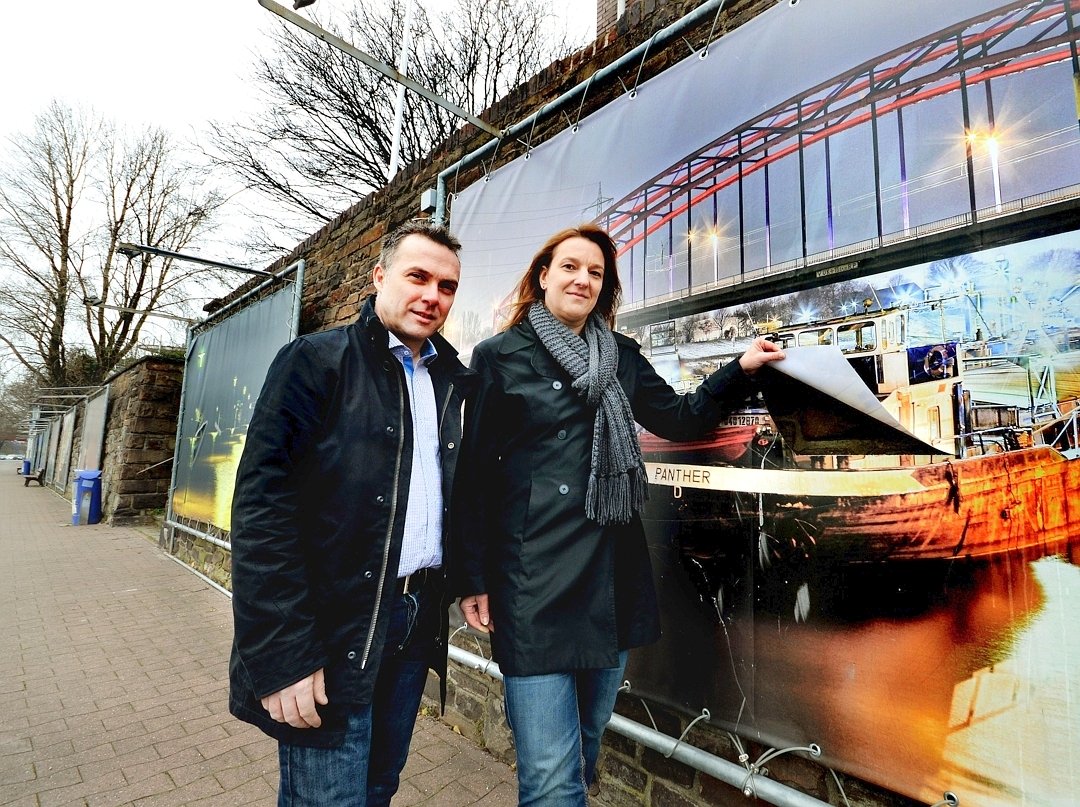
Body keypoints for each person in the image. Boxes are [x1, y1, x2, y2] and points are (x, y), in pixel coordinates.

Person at [453, 224, 784, 807]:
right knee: (549, 775)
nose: (582, 279)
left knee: (584, 746)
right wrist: (473, 577)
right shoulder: (498, 357)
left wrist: (742, 368)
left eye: (596, 272)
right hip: (532, 583)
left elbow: (679, 418)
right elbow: (474, 474)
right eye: (570, 267)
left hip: (610, 580)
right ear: (543, 276)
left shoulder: (621, 355)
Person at [228, 220, 476, 807]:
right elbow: (262, 511)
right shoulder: (316, 361)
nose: (432, 296)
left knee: (378, 788)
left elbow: (448, 500)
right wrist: (284, 655)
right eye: (418, 277)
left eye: (446, 286)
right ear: (379, 276)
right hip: (332, 623)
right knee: (328, 799)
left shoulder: (450, 380)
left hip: (415, 617)